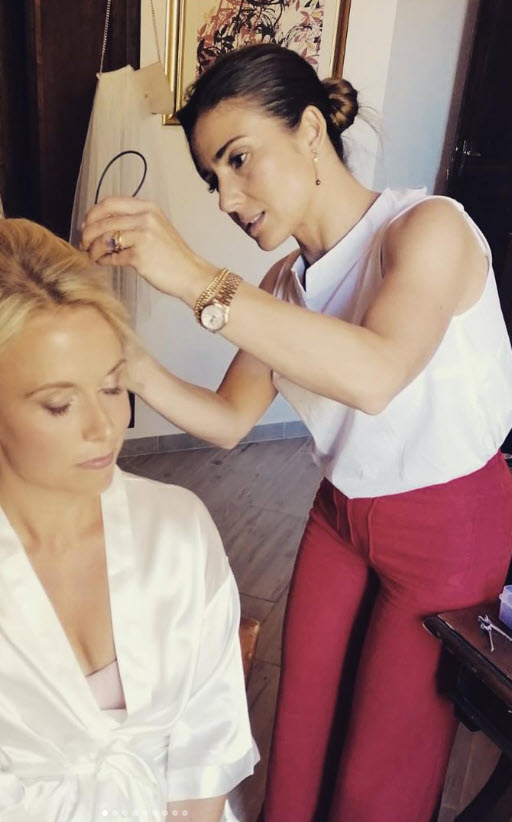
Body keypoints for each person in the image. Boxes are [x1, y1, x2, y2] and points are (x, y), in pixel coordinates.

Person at [80, 43, 512, 822]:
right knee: (298, 736)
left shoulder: (427, 230)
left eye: (239, 160)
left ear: (311, 130)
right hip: (342, 516)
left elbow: (376, 373)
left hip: (450, 523)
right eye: (214, 177)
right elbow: (229, 420)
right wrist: (135, 367)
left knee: (379, 779)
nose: (225, 198)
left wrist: (195, 279)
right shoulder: (286, 285)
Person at [0, 218, 258, 821]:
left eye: (111, 387)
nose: (103, 428)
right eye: (59, 403)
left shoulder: (178, 531)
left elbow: (206, 738)